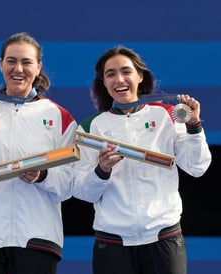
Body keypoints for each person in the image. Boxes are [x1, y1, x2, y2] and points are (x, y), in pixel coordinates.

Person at [72, 46, 212, 274]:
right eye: (110, 74)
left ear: (140, 76)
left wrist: (194, 126)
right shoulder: (90, 128)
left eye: (126, 71)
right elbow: (83, 192)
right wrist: (102, 170)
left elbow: (197, 167)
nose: (119, 79)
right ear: (104, 83)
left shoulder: (167, 115)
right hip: (112, 242)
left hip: (164, 235)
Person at [0, 32, 77, 274]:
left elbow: (70, 184)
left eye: (27, 62)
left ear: (38, 67)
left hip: (37, 236)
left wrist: (43, 176)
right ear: (0, 65)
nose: (18, 68)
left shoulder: (59, 117)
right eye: (11, 61)